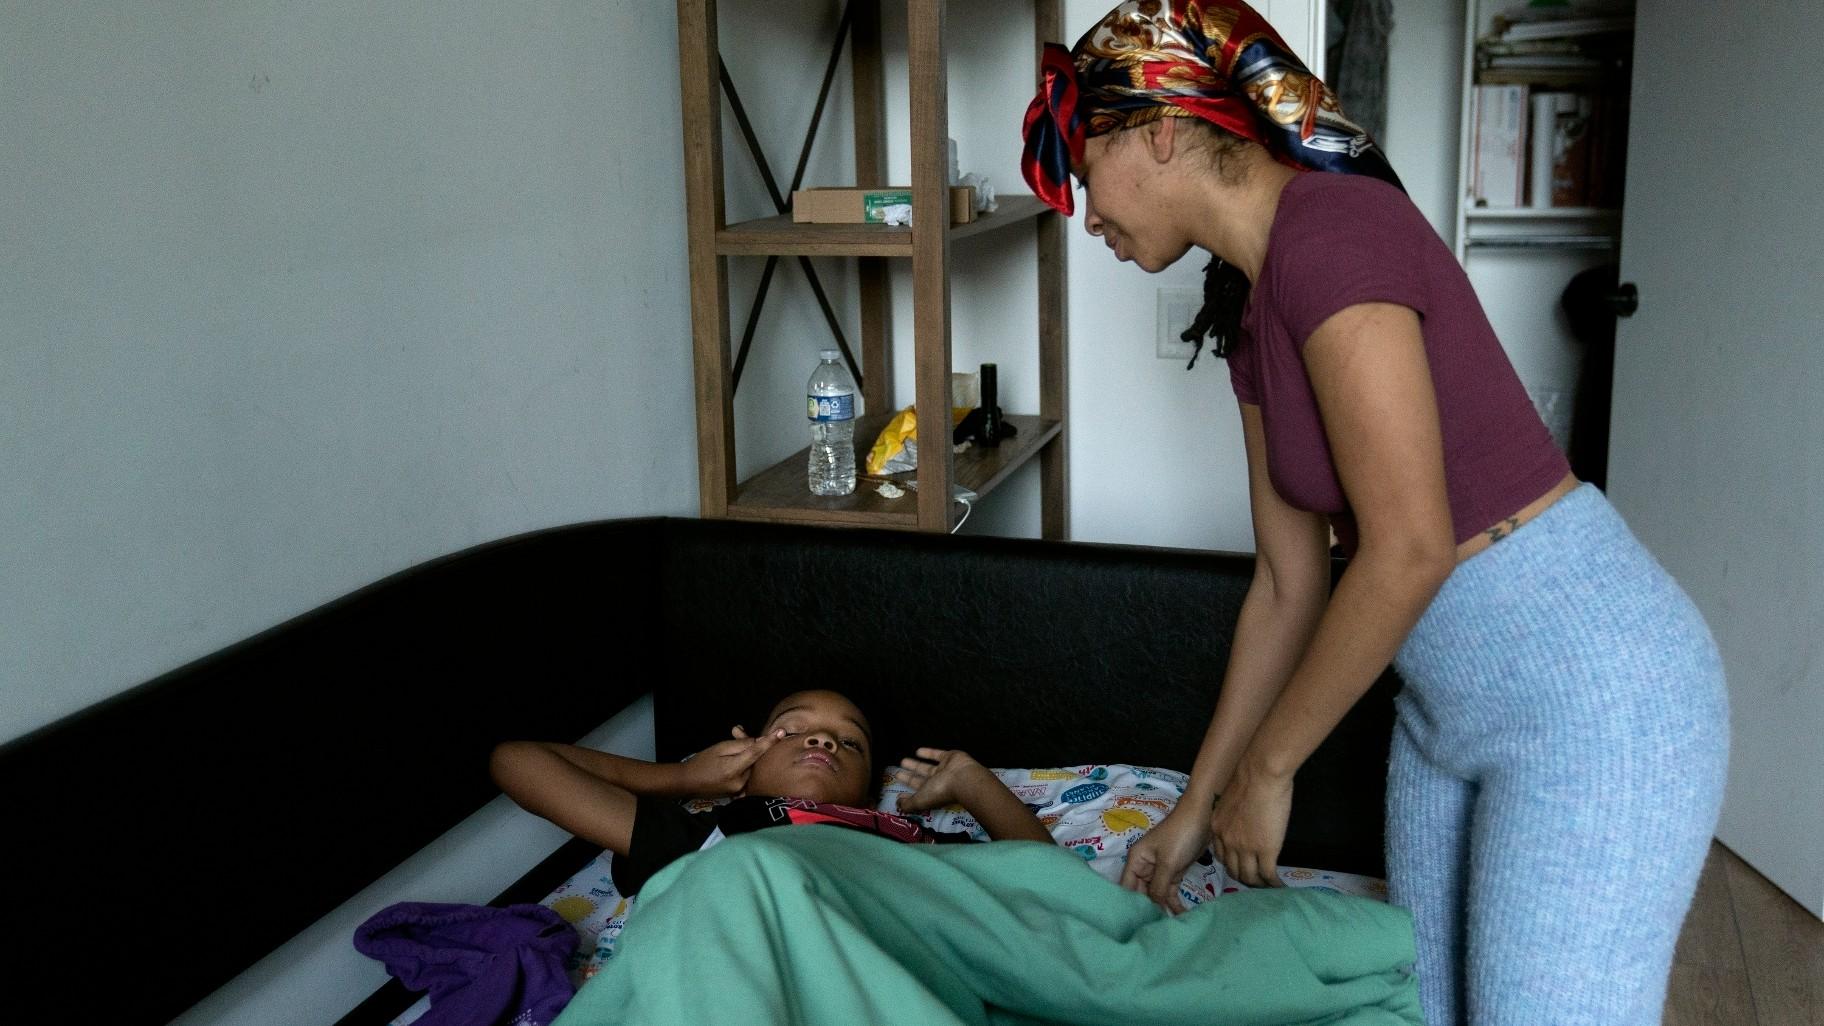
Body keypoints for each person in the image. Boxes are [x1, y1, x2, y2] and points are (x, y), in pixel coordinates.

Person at [1020, 4, 1728, 1024]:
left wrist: (1271, 769)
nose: (1089, 215)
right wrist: (1199, 805)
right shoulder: (1251, 310)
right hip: (1446, 712)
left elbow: (1406, 549)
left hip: (1591, 697)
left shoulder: (1336, 231)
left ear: (1161, 130)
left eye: (1088, 177)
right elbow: (1287, 582)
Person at [490, 688, 1053, 895]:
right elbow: (519, 763)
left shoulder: (911, 836)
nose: (824, 740)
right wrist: (683, 779)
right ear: (747, 764)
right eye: (792, 728)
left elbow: (1053, 884)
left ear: (868, 789)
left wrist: (974, 785)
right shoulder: (711, 835)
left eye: (850, 744)